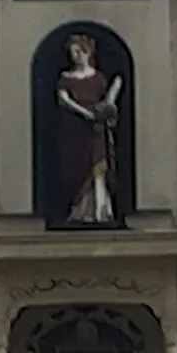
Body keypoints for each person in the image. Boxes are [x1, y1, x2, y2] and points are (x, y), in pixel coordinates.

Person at [52, 31, 122, 225]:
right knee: (77, 168)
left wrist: (106, 111)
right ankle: (79, 212)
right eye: (72, 52)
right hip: (74, 130)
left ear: (87, 52)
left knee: (98, 167)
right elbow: (64, 100)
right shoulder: (66, 77)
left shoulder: (98, 78)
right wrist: (86, 114)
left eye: (78, 52)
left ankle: (99, 211)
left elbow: (107, 98)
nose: (74, 56)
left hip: (96, 130)